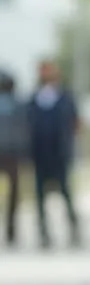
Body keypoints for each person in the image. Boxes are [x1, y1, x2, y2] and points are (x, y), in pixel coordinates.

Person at [28, 59, 81, 249]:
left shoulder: (66, 96)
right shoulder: (35, 98)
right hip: (40, 154)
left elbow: (76, 122)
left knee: (66, 193)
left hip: (60, 153)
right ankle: (44, 234)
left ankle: (74, 229)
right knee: (40, 197)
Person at [0, 71, 28, 247]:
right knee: (14, 193)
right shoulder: (19, 105)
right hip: (11, 154)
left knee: (14, 193)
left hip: (12, 154)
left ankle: (11, 228)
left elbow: (24, 131)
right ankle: (11, 229)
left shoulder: (19, 105)